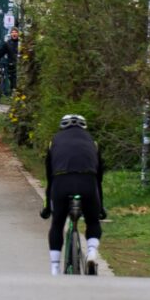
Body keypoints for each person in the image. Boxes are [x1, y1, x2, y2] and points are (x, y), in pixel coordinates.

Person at [40, 114, 106, 275]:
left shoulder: (54, 142)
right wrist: (100, 207)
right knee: (92, 221)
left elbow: (49, 177)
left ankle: (55, 268)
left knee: (57, 224)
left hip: (61, 182)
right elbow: (99, 179)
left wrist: (48, 206)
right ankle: (91, 252)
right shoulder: (92, 142)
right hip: (87, 181)